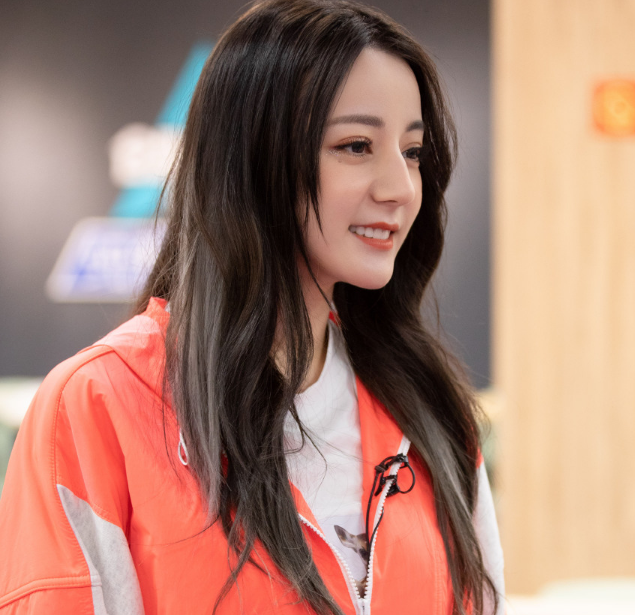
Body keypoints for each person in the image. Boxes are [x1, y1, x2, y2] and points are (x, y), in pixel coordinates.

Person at [0, 0, 505, 613]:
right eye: (355, 146)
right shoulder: (97, 407)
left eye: (413, 152)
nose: (400, 187)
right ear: (252, 157)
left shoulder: (428, 411)